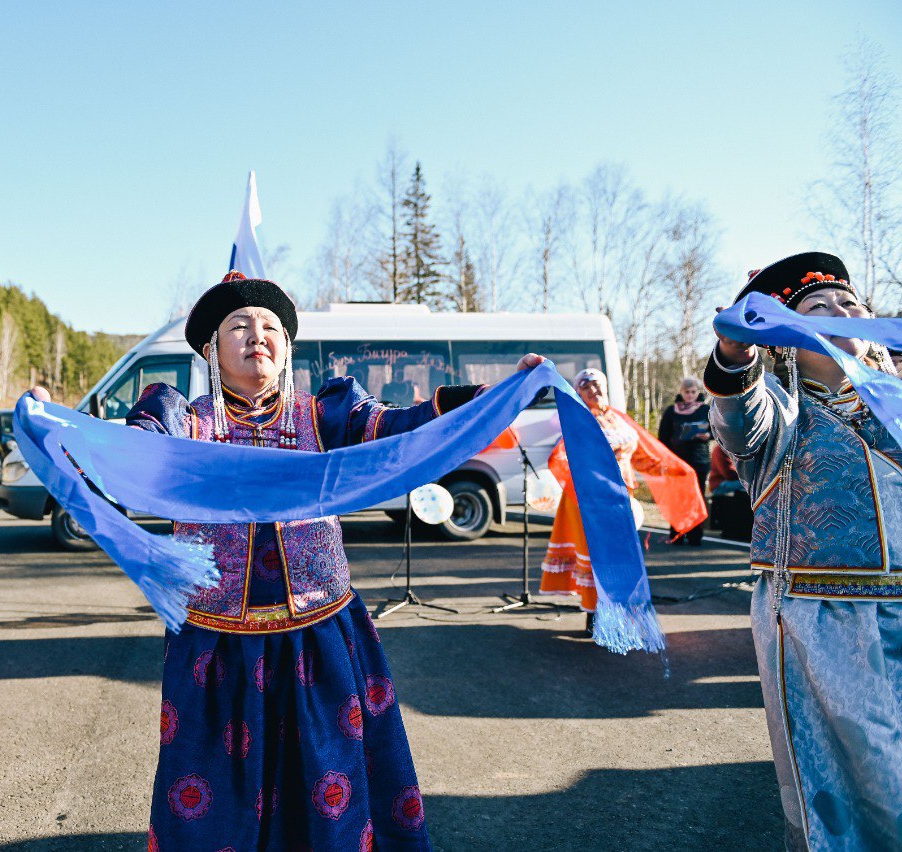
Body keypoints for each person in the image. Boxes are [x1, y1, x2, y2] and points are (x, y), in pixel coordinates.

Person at [112, 271, 542, 849]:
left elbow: (400, 428)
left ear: (288, 347)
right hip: (215, 649)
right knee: (212, 800)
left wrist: (490, 397)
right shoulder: (183, 420)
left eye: (270, 326)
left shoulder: (325, 415)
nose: (256, 335)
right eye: (238, 326)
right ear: (212, 350)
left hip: (320, 637)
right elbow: (128, 450)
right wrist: (55, 428)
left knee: (326, 782)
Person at [708, 252, 902, 849]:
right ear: (789, 339)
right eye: (816, 308)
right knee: (872, 776)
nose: (841, 309)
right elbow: (742, 420)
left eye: (851, 302)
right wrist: (736, 353)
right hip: (823, 617)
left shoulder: (893, 402)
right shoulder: (784, 414)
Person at [539, 369, 705, 632]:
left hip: (620, 498)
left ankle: (617, 616)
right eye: (586, 386)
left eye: (597, 384)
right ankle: (595, 618)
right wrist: (591, 479)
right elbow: (561, 459)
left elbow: (639, 453)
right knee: (599, 557)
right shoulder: (579, 420)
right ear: (578, 393)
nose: (594, 390)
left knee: (620, 557)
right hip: (592, 501)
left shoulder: (618, 418)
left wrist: (672, 468)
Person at [657, 377, 712, 545]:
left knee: (696, 498)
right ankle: (677, 533)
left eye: (693, 392)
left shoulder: (706, 410)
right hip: (677, 461)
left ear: (698, 392)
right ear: (681, 392)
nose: (690, 395)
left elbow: (718, 430)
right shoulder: (671, 411)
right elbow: (663, 437)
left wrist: (708, 435)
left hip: (699, 460)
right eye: (686, 392)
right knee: (677, 498)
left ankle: (696, 535)